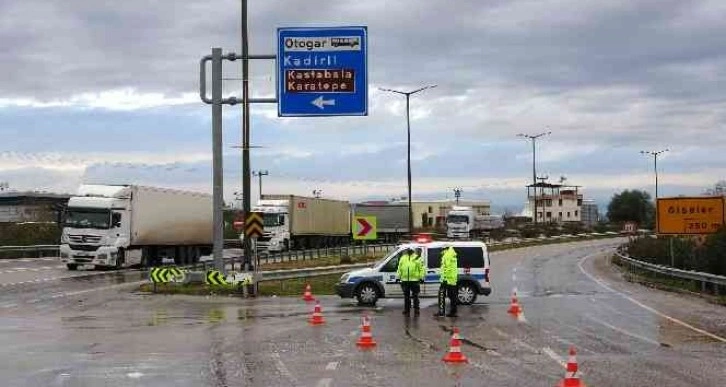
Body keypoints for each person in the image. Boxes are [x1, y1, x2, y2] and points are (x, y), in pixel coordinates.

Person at [397, 248, 424, 315]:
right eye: (407, 250)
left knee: (415, 296)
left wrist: (421, 277)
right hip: (405, 280)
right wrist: (398, 277)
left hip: (414, 280)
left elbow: (422, 268)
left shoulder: (417, 258)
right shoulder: (403, 258)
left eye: (410, 250)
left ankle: (416, 310)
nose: (408, 251)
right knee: (406, 297)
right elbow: (399, 268)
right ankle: (407, 310)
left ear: (412, 251)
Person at [436, 245, 459, 317]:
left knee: (441, 295)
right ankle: (453, 312)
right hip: (452, 279)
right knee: (452, 296)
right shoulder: (452, 253)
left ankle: (441, 312)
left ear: (444, 249)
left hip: (447, 279)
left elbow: (447, 268)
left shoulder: (447, 255)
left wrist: (444, 279)